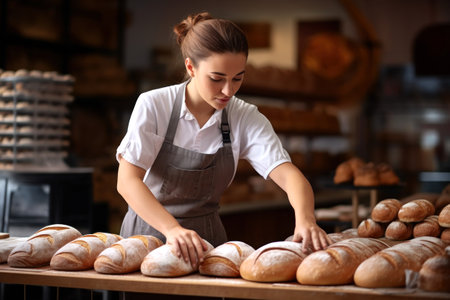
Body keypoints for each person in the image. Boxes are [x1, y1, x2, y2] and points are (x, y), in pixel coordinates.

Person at [116, 12, 331, 270]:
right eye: (217, 79)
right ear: (190, 67)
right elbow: (127, 181)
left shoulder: (244, 116)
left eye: (238, 78)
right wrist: (172, 229)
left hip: (208, 246)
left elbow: (289, 176)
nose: (228, 91)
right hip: (147, 238)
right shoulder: (155, 105)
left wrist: (306, 219)